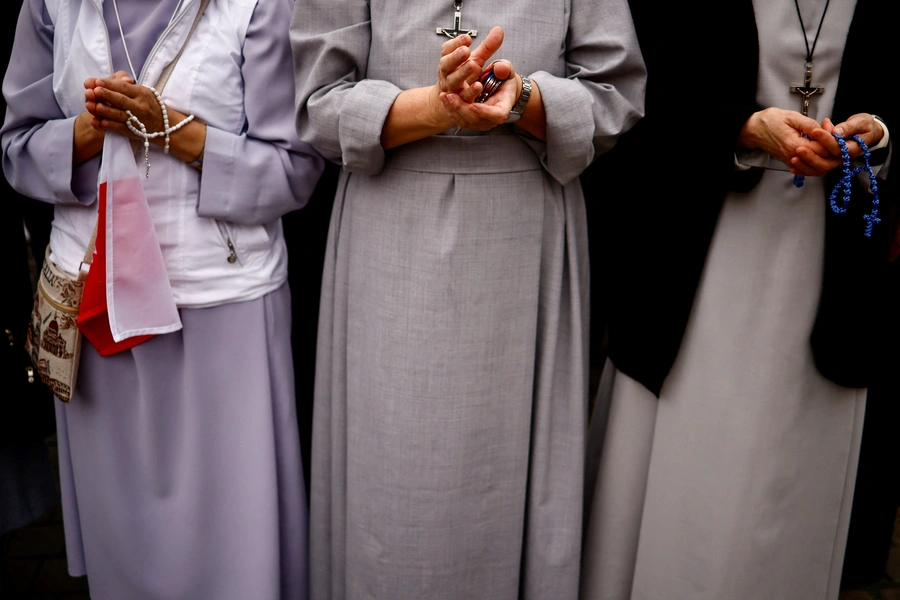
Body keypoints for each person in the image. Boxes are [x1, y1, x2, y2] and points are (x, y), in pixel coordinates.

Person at [291, 2, 645, 598]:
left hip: (523, 234)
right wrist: (433, 108)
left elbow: (616, 92)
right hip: (391, 234)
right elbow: (317, 102)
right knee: (394, 479)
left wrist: (524, 99)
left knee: (506, 480)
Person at [1, 0, 323, 598]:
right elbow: (15, 148)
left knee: (234, 540)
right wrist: (86, 131)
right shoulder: (51, 6)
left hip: (221, 310)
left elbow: (294, 169)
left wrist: (174, 130)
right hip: (97, 314)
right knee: (123, 542)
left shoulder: (259, 6)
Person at [580, 0, 895, 599]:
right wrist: (742, 129)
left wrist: (879, 136)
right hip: (697, 256)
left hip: (831, 266)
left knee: (790, 485)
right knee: (689, 470)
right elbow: (631, 95)